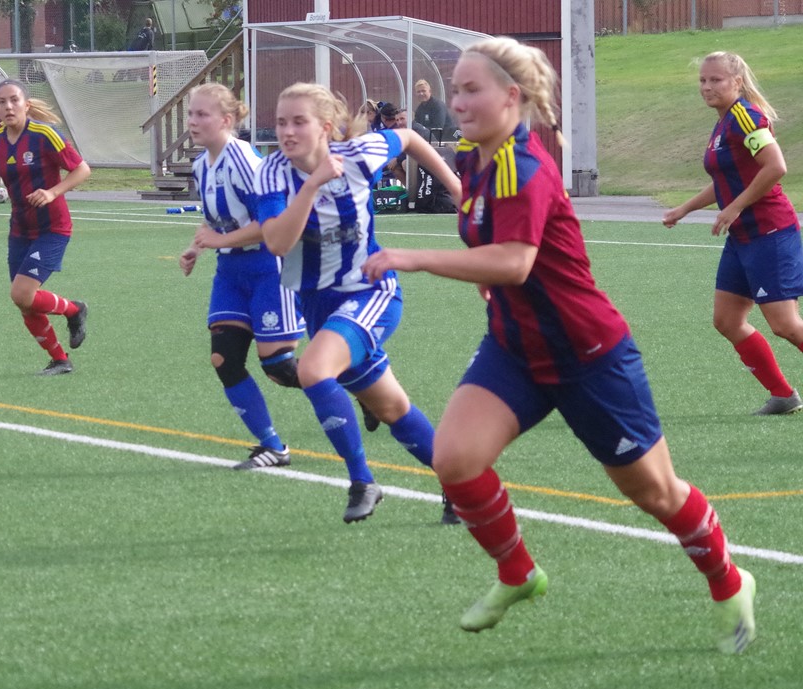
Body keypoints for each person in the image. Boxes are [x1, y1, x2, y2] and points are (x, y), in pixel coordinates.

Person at [361, 37, 756, 654]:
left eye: (472, 89)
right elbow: (488, 244)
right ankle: (518, 573)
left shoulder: (526, 165)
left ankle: (730, 581)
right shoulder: (472, 156)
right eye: (456, 88)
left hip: (588, 353)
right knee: (455, 460)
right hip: (515, 348)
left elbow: (515, 262)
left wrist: (410, 256)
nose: (458, 101)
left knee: (655, 492)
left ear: (511, 97)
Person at [255, 82, 463, 524]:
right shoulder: (274, 171)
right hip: (318, 304)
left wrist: (456, 185)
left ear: (326, 128)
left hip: (370, 292)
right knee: (392, 409)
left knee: (311, 369)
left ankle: (362, 480)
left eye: (299, 122)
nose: (286, 131)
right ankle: (461, 488)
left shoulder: (360, 154)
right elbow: (276, 242)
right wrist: (311, 185)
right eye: (280, 121)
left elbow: (409, 138)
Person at [662, 51, 803, 416]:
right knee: (727, 321)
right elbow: (726, 180)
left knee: (785, 325)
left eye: (716, 80)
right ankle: (783, 395)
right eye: (703, 81)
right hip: (742, 238)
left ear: (736, 83)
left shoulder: (744, 116)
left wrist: (736, 206)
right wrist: (685, 209)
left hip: (769, 231)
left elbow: (775, 167)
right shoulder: (724, 122)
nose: (707, 87)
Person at [178, 83, 306, 469]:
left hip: (270, 267)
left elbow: (272, 225)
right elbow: (217, 217)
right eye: (191, 114)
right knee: (224, 359)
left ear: (227, 120)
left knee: (279, 367)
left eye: (202, 114)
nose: (193, 122)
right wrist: (197, 246)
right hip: (231, 271)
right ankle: (273, 447)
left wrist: (219, 240)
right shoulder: (202, 164)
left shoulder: (246, 162)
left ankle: (360, 384)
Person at [0, 79, 91, 375]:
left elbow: (82, 169)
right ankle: (60, 360)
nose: (8, 106)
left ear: (26, 104)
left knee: (21, 294)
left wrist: (52, 192)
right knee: (25, 304)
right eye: (2, 101)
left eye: (14, 100)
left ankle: (74, 310)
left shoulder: (44, 134)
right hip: (20, 229)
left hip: (53, 228)